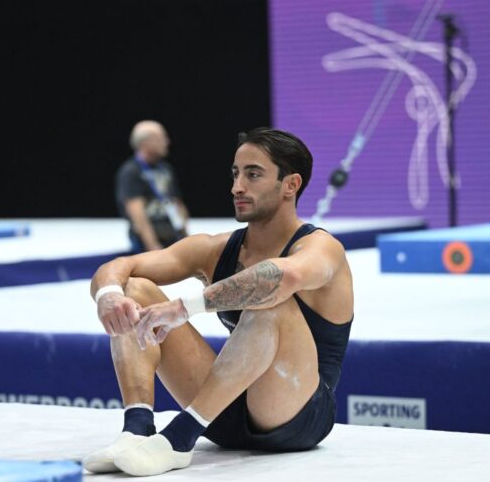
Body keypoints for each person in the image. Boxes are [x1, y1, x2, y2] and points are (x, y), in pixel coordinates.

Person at [86, 128, 354, 476]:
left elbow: (281, 277)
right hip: (224, 412)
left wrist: (181, 308)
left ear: (290, 185)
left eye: (253, 174)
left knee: (271, 299)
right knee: (134, 289)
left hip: (297, 415)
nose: (237, 187)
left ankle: (180, 438)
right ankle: (136, 431)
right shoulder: (215, 249)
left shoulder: (321, 248)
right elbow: (120, 267)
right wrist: (107, 294)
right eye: (235, 174)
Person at [115, 120, 189, 252]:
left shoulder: (166, 169)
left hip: (172, 236)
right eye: (161, 138)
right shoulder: (131, 171)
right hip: (147, 243)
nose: (167, 142)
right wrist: (153, 247)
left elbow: (177, 203)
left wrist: (186, 239)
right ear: (145, 143)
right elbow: (137, 215)